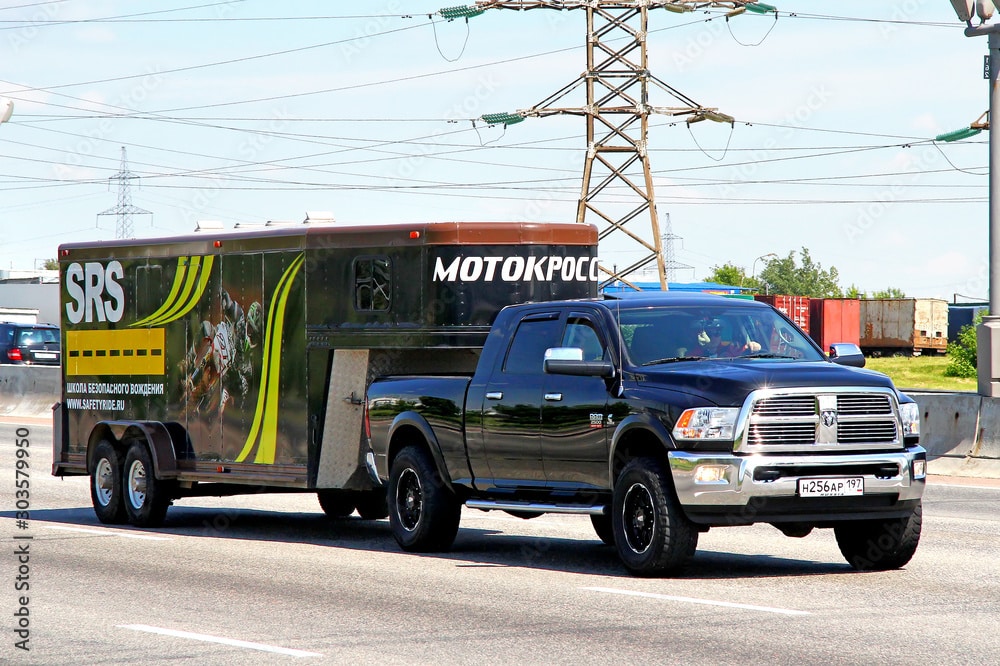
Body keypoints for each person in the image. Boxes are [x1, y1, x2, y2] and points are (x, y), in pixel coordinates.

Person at [689, 318, 761, 358]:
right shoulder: (693, 355)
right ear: (701, 335)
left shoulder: (730, 348)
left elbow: (744, 351)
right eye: (709, 334)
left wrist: (753, 346)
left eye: (717, 333)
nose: (714, 337)